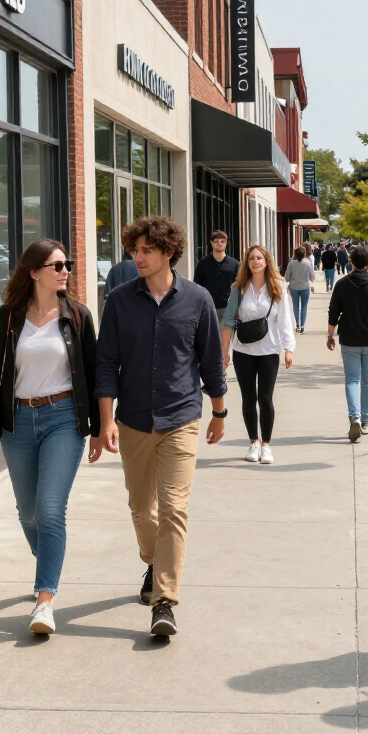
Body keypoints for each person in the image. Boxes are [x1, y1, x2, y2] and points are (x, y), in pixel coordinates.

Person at [96, 216, 227, 638]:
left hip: (181, 418)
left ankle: (165, 600)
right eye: (134, 250)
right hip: (133, 419)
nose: (137, 258)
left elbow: (210, 361)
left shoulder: (198, 299)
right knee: (141, 508)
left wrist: (220, 413)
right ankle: (154, 561)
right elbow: (105, 364)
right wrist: (105, 420)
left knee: (174, 509)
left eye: (146, 250)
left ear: (168, 252)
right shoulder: (118, 301)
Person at [0, 239, 99, 636]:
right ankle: (47, 557)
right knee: (28, 512)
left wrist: (96, 426)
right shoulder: (8, 318)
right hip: (18, 423)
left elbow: (94, 375)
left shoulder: (77, 316)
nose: (65, 271)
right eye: (57, 265)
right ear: (34, 272)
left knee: (49, 510)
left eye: (67, 264)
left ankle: (45, 600)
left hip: (63, 418)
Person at [222, 245, 296, 465]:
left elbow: (285, 319)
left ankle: (266, 446)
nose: (255, 261)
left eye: (259, 258)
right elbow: (228, 321)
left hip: (269, 351)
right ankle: (253, 442)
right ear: (247, 262)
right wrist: (224, 351)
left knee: (265, 398)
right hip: (243, 350)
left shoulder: (278, 287)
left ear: (266, 261)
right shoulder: (239, 288)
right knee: (248, 398)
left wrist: (288, 348)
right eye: (251, 258)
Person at [327, 245, 368, 441]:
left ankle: (354, 416)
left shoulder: (342, 284)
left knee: (352, 379)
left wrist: (330, 335)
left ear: (351, 262)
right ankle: (366, 421)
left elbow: (333, 312)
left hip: (349, 338)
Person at [193, 230, 240, 327]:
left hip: (229, 308)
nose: (219, 244)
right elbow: (197, 286)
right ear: (211, 243)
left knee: (226, 338)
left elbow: (241, 286)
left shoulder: (234, 264)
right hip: (208, 307)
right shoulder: (203, 263)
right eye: (216, 241)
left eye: (222, 241)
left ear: (226, 243)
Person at [284, 245, 313, 333]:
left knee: (295, 306)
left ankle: (297, 324)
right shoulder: (307, 263)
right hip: (305, 287)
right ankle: (303, 325)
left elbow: (287, 277)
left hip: (294, 287)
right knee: (304, 307)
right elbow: (312, 276)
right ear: (304, 254)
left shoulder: (291, 263)